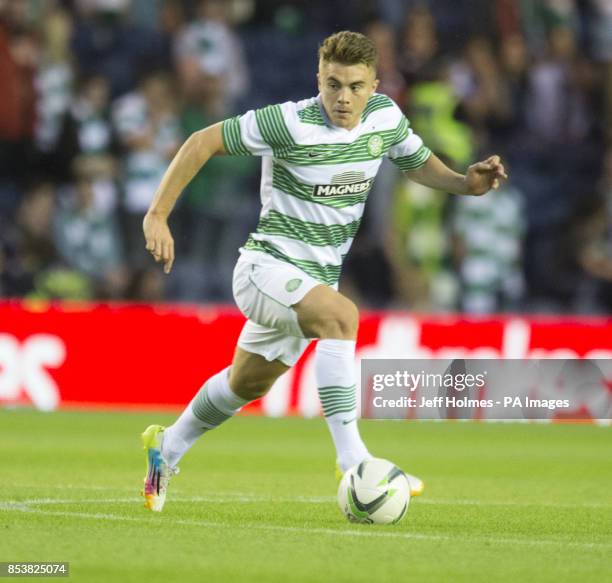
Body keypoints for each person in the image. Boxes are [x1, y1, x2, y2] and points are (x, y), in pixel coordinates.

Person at [140, 31, 508, 512]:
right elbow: (201, 141)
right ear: (318, 77)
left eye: (355, 86)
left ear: (374, 85)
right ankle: (354, 459)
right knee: (342, 317)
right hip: (264, 268)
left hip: (314, 280)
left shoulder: (384, 119)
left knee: (245, 384)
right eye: (333, 84)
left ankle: (164, 448)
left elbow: (415, 163)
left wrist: (464, 183)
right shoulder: (288, 122)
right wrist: (157, 215)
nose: (343, 97)